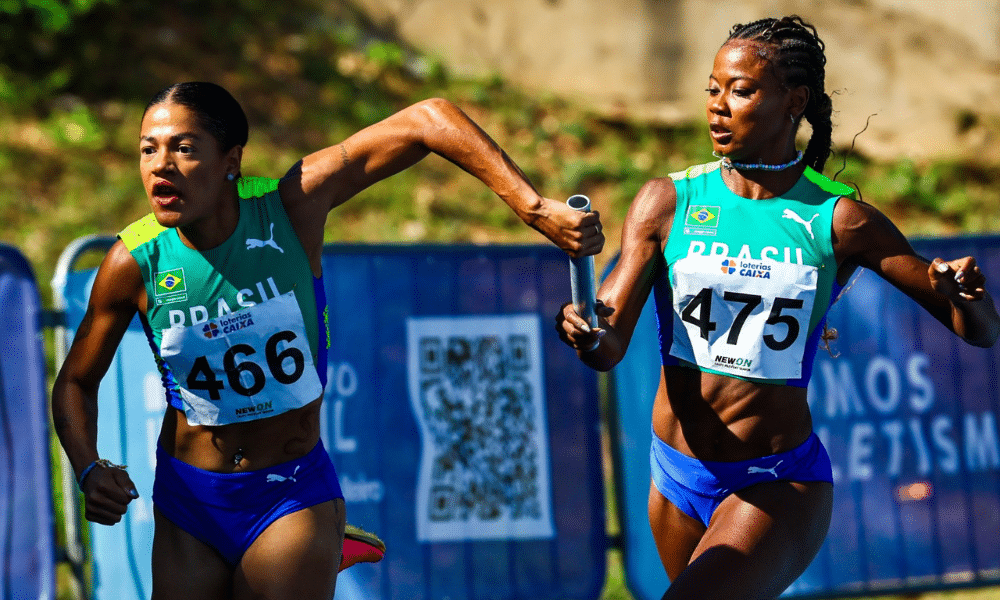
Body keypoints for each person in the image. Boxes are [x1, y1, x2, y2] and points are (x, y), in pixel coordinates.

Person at [51, 81, 604, 600]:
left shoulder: (290, 207)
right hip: (188, 500)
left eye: (184, 149)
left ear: (231, 162)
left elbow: (425, 120)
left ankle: (320, 539)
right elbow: (77, 380)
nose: (160, 167)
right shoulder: (132, 262)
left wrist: (534, 207)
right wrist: (87, 467)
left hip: (286, 493)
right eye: (148, 150)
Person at [556, 15, 999, 600]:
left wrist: (967, 297)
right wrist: (585, 329)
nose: (718, 105)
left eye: (741, 90)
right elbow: (607, 346)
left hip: (775, 482)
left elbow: (979, 332)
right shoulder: (667, 201)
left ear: (795, 101)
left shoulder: (840, 220)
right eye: (712, 89)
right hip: (676, 475)